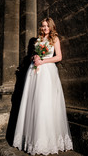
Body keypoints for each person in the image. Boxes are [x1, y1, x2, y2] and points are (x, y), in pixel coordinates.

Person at [12, 17, 73, 155]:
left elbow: (59, 57)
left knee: (45, 102)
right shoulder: (38, 40)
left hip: (47, 73)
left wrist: (43, 60)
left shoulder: (54, 39)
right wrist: (34, 58)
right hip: (34, 73)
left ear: (51, 27)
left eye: (47, 26)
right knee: (33, 101)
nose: (45, 28)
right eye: (43, 26)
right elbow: (34, 55)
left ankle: (47, 140)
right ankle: (32, 139)